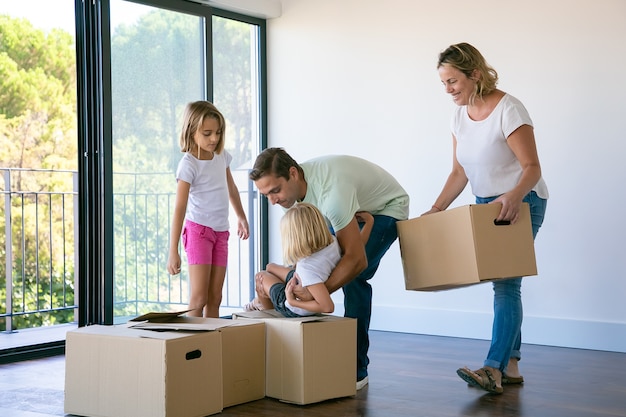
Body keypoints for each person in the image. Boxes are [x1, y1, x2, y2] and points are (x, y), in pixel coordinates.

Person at [424, 42, 548, 394]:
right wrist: (436, 209)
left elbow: (532, 167)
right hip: (485, 203)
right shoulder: (459, 116)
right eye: (444, 83)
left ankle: (493, 368)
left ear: (474, 74)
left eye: (452, 82)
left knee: (506, 283)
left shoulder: (509, 109)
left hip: (521, 202)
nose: (448, 90)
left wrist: (514, 194)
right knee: (503, 282)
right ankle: (510, 365)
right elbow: (459, 172)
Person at [249, 148, 409, 390]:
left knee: (354, 277)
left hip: (385, 209)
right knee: (329, 260)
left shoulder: (332, 197)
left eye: (275, 191)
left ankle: (356, 370)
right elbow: (310, 252)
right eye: (265, 195)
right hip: (350, 209)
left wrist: (313, 293)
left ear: (293, 174)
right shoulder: (289, 198)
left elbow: (356, 259)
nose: (272, 201)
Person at [166, 100, 249, 318]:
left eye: (218, 133)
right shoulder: (188, 164)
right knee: (199, 298)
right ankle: (189, 345)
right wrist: (172, 250)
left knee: (215, 298)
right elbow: (180, 208)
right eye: (207, 133)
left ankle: (209, 347)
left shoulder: (221, 156)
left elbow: (231, 186)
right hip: (198, 232)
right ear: (191, 131)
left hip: (221, 232)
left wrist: (241, 216)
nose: (214, 138)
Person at [249, 205, 374, 317]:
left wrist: (291, 301)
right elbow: (358, 247)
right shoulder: (331, 241)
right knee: (270, 267)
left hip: (295, 306)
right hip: (302, 281)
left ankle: (268, 313)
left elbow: (328, 307)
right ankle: (260, 301)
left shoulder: (306, 268)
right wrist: (369, 222)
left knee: (260, 276)